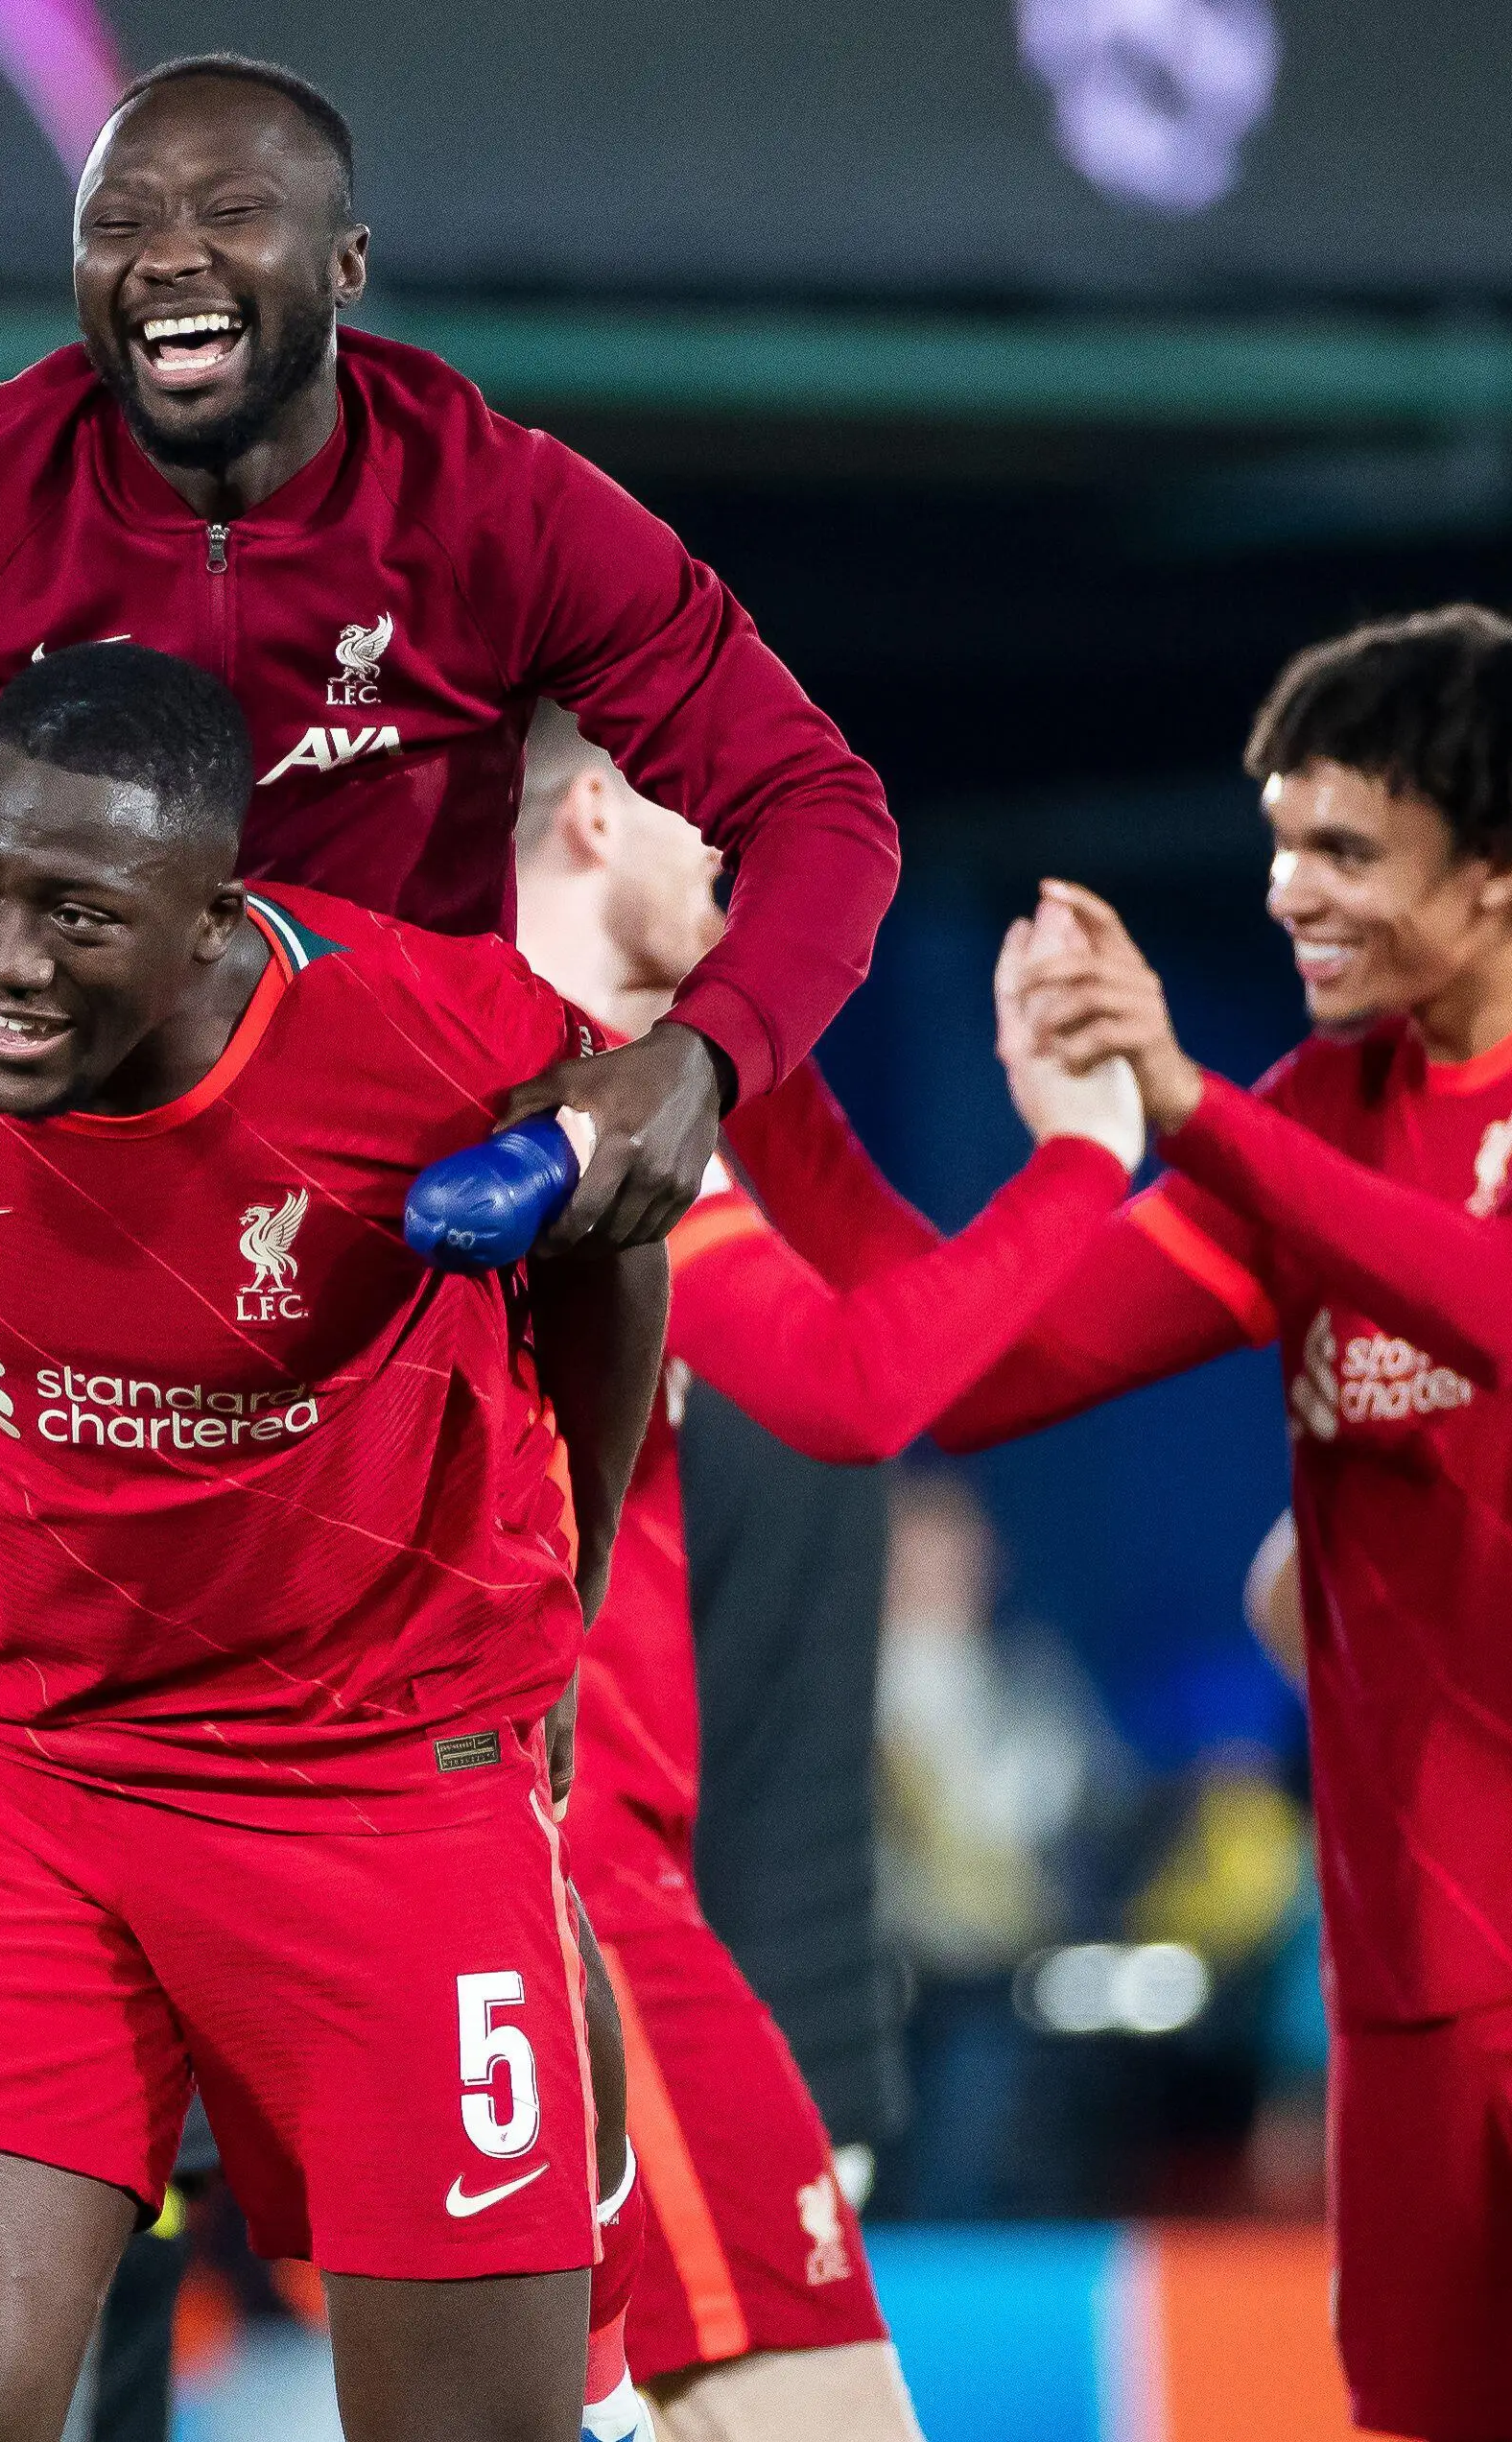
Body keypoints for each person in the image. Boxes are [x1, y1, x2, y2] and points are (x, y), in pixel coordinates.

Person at [737, 607, 1512, 2442]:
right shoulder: (1330, 1110)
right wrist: (742, 1060)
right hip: (1404, 1936)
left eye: (1343, 851)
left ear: (1501, 865)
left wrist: (1182, 1107)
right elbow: (968, 1369)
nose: (1289, 894)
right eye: (1278, 845)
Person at [0, 643, 663, 2442]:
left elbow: (617, 1235)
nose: (0, 959)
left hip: (384, 1784)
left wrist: (577, 1571)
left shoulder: (435, 1038)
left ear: (212, 912)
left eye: (76, 916)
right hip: (16, 1774)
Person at [0, 52, 898, 1253]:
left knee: (615, 1225)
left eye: (230, 216)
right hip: (16, 1151)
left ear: (346, 265)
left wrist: (705, 1059)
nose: (169, 257)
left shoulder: (505, 514)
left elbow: (820, 808)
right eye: (117, 226)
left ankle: (572, 1548)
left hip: (375, 1186)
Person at [508, 702, 1144, 2436]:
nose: (734, 849)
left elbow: (940, 1340)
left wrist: (757, 1036)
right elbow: (864, 1388)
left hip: (538, 1900)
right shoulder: (575, 1107)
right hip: (587, 1917)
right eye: (693, 809)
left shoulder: (499, 1075)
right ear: (583, 819)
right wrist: (1089, 1146)